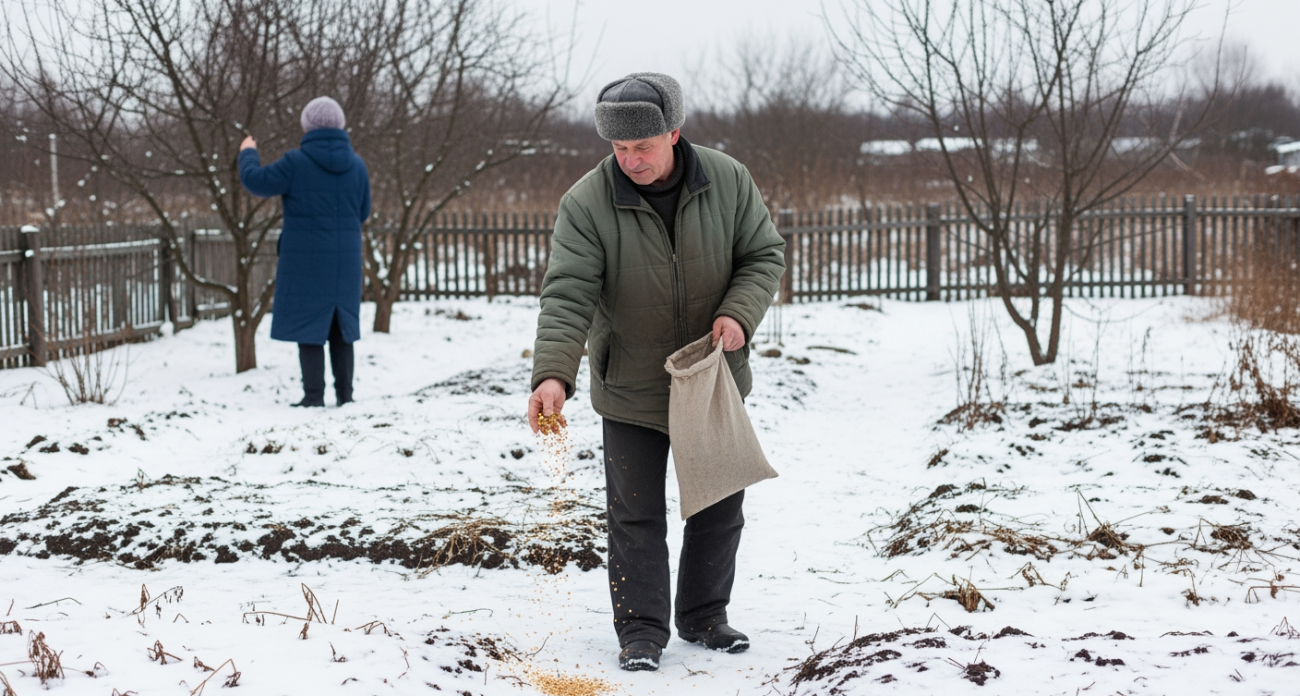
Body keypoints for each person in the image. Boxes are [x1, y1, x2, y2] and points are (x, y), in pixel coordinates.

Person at [527, 73, 785, 672]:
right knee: (635, 514)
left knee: (719, 504)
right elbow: (567, 293)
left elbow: (762, 253)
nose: (631, 160)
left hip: (710, 376)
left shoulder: (727, 180)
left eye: (643, 146)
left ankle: (705, 616)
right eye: (619, 149)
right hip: (630, 385)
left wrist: (738, 313)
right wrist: (553, 375)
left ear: (674, 131)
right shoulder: (587, 202)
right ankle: (641, 630)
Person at [239, 96, 371, 407]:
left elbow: (255, 181)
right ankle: (345, 397)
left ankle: (313, 397)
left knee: (310, 325)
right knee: (342, 327)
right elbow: (362, 212)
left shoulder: (296, 162)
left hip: (306, 259)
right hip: (346, 259)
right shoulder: (357, 165)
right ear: (340, 125)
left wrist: (247, 152)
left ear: (307, 126)